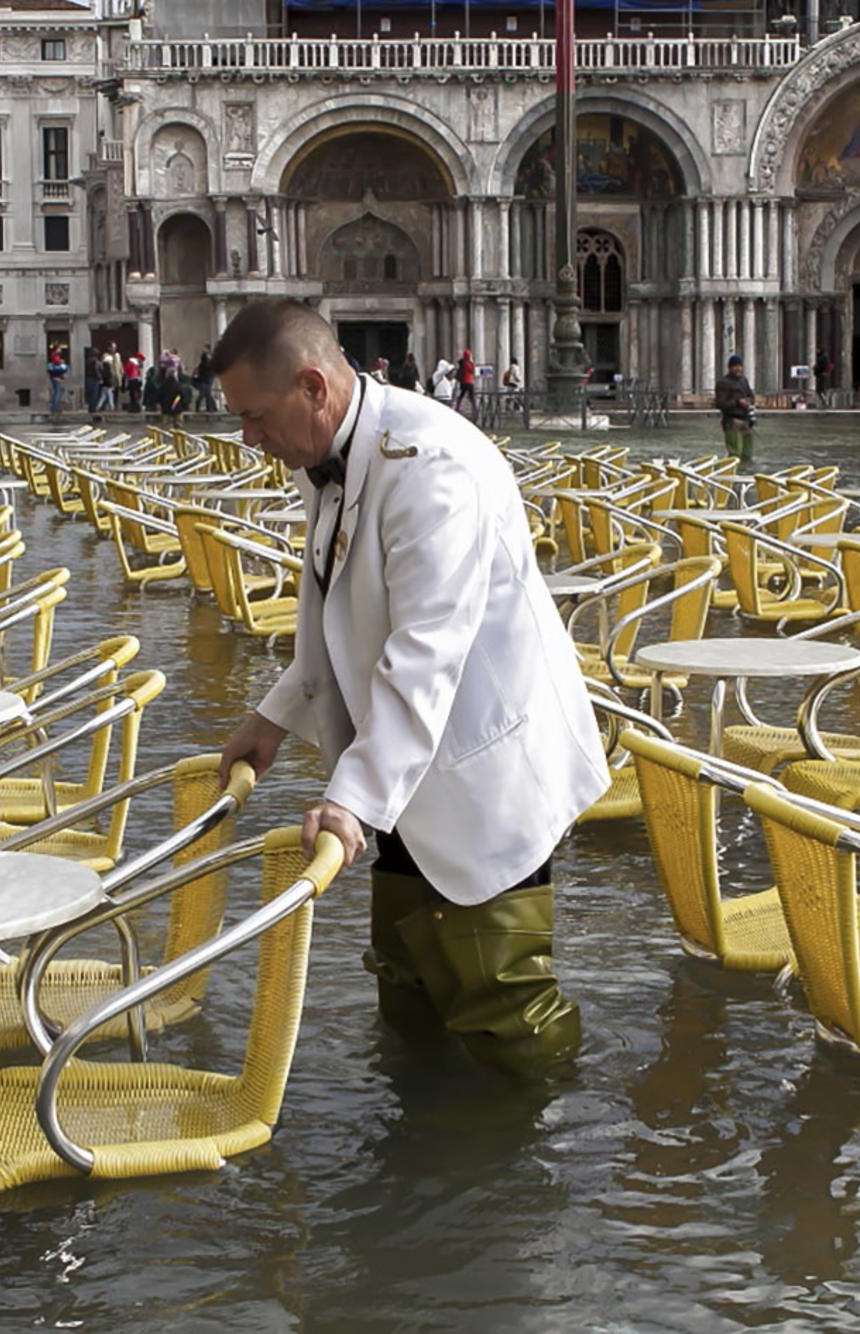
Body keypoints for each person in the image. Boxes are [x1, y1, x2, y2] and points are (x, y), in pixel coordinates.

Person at [212, 298, 602, 1071]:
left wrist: (353, 797)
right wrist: (276, 717)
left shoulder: (431, 468)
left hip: (481, 770)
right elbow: (339, 611)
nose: (248, 439)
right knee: (407, 976)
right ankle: (421, 1152)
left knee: (505, 1005)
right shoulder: (330, 454)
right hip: (396, 775)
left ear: (314, 388)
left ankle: (544, 1159)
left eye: (254, 417)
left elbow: (426, 646)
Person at [714, 352, 756, 468]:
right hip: (732, 421)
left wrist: (749, 401)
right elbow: (720, 403)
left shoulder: (744, 381)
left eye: (740, 366)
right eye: (735, 366)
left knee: (747, 453)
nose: (738, 368)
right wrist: (737, 402)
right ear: (730, 368)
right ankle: (733, 474)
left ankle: (747, 472)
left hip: (746, 421)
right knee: (735, 454)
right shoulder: (723, 383)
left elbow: (751, 396)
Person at [46, 345, 69, 415]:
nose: (60, 350)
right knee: (57, 392)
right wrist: (62, 361)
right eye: (59, 348)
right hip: (56, 377)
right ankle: (54, 408)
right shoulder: (55, 355)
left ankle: (55, 407)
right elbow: (57, 362)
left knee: (58, 391)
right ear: (56, 349)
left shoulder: (53, 355)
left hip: (55, 376)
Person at [194, 347, 218, 413]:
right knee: (206, 394)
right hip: (206, 380)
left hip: (205, 380)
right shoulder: (207, 364)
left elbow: (199, 372)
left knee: (205, 394)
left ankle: (209, 408)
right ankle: (211, 408)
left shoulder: (204, 364)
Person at [455, 348, 477, 416]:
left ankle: (457, 407)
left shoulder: (462, 362)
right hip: (469, 381)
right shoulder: (468, 363)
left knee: (461, 395)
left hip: (463, 381)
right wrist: (472, 361)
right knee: (471, 396)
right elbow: (472, 370)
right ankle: (474, 409)